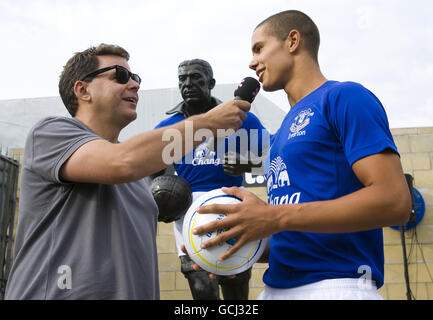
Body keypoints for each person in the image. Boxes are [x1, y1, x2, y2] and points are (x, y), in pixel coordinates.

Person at [193, 10, 411, 300]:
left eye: (259, 48)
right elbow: (292, 229)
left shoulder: (344, 97)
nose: (251, 61)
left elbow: (394, 201)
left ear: (292, 40)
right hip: (276, 288)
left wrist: (274, 216)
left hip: (336, 286)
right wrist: (229, 244)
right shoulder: (281, 132)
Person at [4, 44, 251, 300]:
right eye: (120, 76)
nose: (134, 85)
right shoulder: (50, 134)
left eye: (136, 79)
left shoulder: (138, 184)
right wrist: (209, 123)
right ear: (82, 89)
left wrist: (208, 255)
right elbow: (123, 162)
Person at [152, 59, 269, 300]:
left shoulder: (242, 119)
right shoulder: (167, 127)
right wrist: (158, 200)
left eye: (196, 77)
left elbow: (278, 158)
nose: (188, 84)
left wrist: (249, 164)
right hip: (188, 213)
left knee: (235, 286)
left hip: (232, 207)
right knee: (202, 289)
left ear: (211, 83)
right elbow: (152, 171)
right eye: (182, 79)